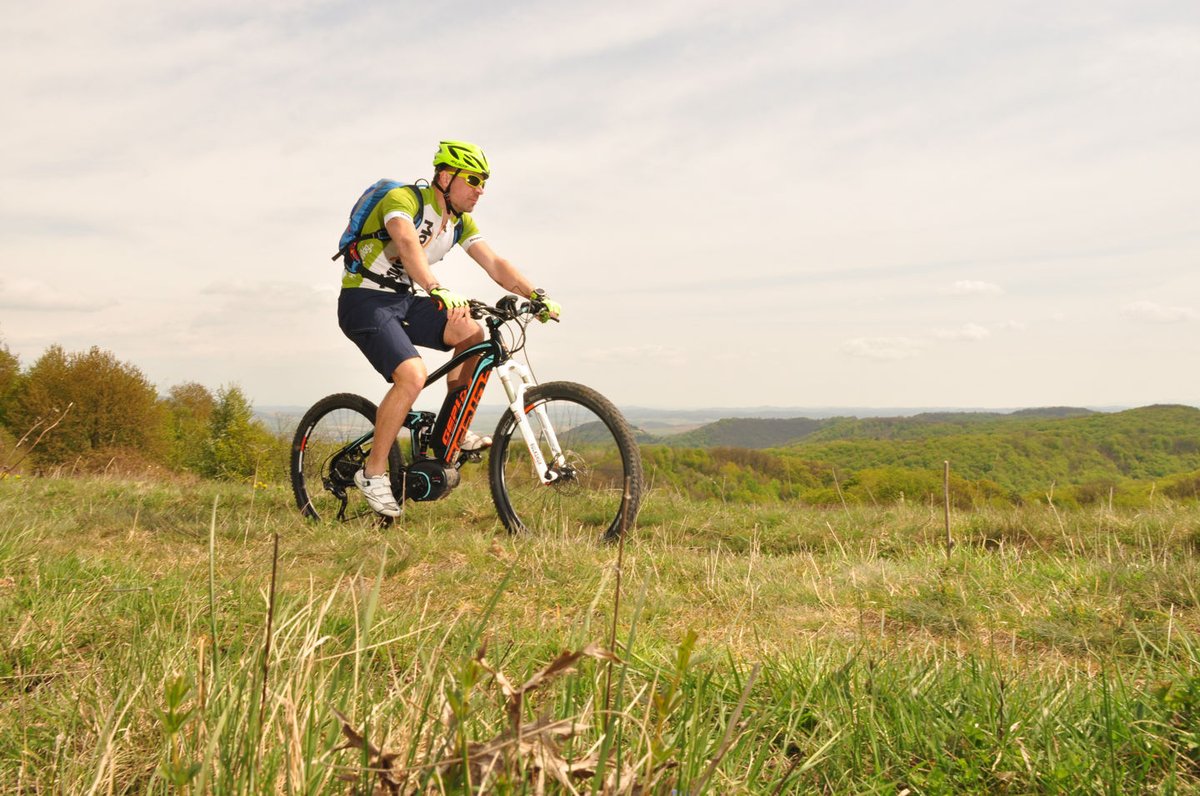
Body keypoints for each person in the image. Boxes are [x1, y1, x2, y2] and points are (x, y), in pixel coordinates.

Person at [337, 140, 561, 517]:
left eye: (485, 182)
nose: (480, 189)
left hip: (405, 301)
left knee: (471, 334)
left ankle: (451, 430)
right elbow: (406, 242)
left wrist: (535, 295)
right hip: (364, 300)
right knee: (411, 375)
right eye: (473, 180)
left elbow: (494, 263)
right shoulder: (405, 199)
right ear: (445, 176)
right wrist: (435, 287)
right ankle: (372, 473)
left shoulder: (459, 222)